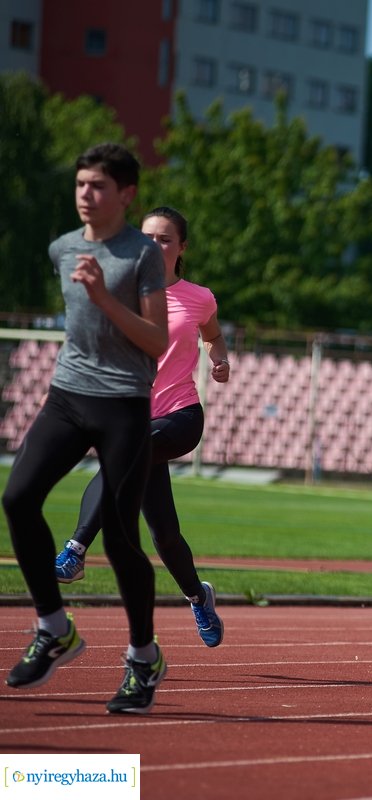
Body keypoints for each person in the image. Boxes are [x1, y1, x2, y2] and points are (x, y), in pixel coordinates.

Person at [2, 143, 169, 713]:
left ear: (126, 194)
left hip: (124, 404)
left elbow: (156, 341)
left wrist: (102, 296)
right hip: (68, 397)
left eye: (97, 186)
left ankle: (143, 659)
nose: (85, 195)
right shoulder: (62, 248)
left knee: (121, 539)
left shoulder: (142, 254)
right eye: (79, 185)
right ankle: (54, 627)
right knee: (18, 497)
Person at [54, 206, 231, 648]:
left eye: (165, 239)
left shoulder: (198, 296)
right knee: (164, 534)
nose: (154, 245)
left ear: (181, 248)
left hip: (180, 417)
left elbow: (212, 333)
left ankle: (75, 551)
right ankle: (198, 596)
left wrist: (219, 359)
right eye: (147, 237)